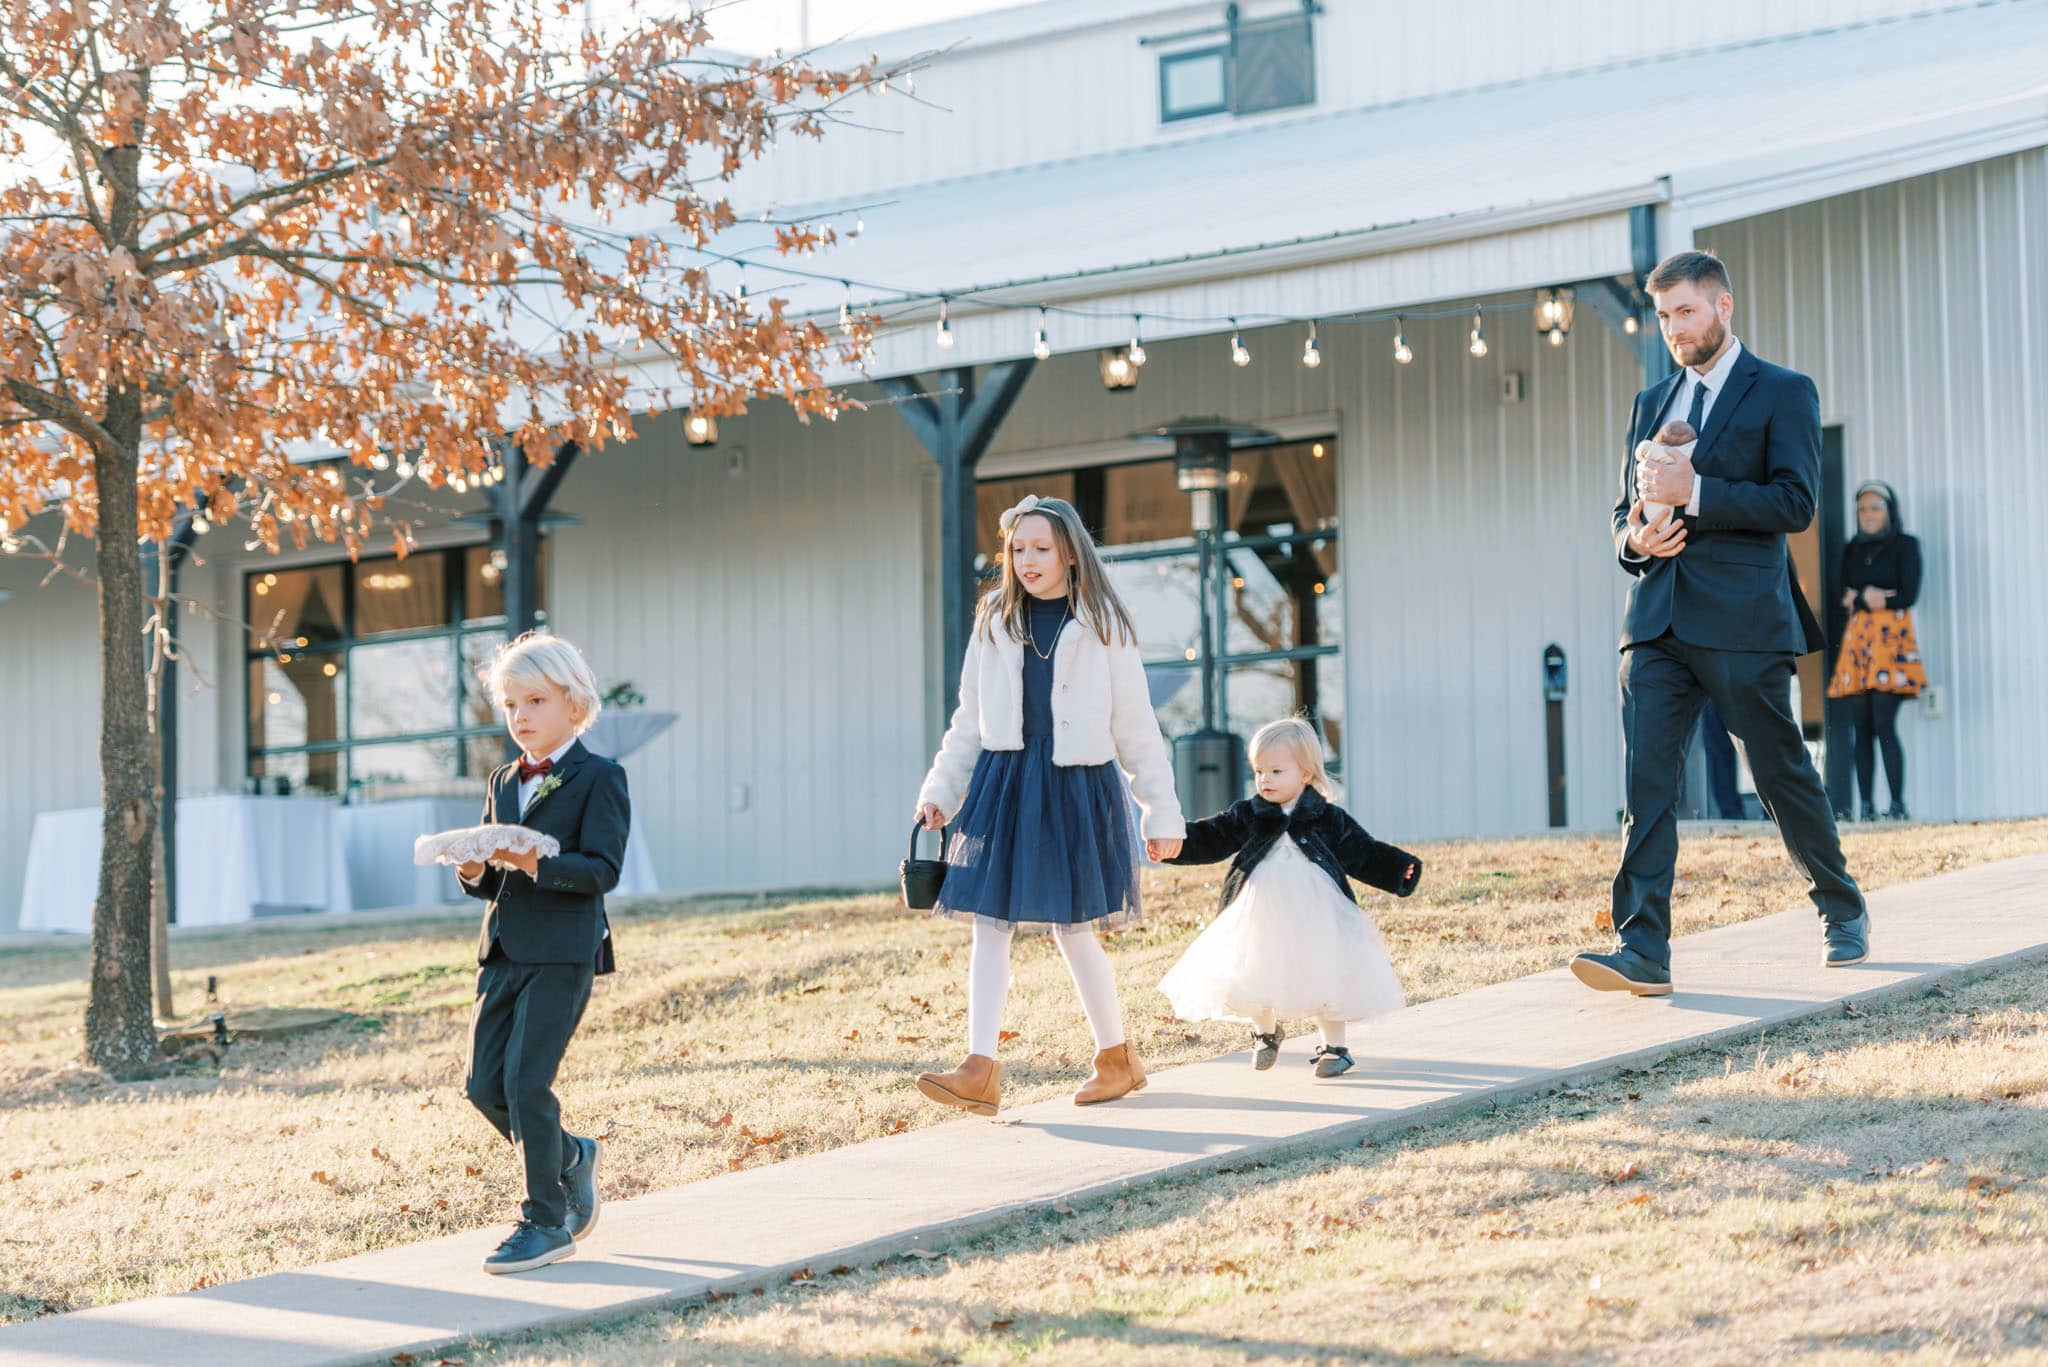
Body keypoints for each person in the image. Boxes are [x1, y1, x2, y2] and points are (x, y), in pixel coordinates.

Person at [1577, 248, 1869, 998]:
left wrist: (1698, 490)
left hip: (1743, 621)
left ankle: (1841, 904)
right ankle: (1642, 948)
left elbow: (1794, 502)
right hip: (1656, 620)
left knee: (1780, 773)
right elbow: (1622, 515)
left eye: (1686, 312)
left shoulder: (1783, 392)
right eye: (1664, 316)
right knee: (1647, 783)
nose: (1674, 329)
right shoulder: (1650, 404)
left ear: (1722, 307)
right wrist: (1633, 537)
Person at [912, 494, 1185, 1117]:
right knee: (989, 922)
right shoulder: (994, 621)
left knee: (1074, 927)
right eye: (1017, 549)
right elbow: (968, 721)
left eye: (1041, 548)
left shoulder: (1103, 623)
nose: (1027, 560)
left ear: (1068, 552)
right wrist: (940, 793)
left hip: (1074, 785)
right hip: (1002, 782)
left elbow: (1136, 725)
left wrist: (1161, 812)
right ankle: (979, 1067)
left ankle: (1116, 1058)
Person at [458, 632, 629, 1273]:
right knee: (484, 1087)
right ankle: (570, 1156)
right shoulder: (504, 780)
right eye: (510, 705)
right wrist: (475, 870)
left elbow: (603, 870)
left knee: (528, 1083)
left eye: (535, 700)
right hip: (502, 949)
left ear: (574, 704)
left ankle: (545, 1220)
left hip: (563, 950)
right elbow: (491, 876)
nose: (521, 716)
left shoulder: (600, 778)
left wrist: (534, 860)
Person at [1158, 717, 1419, 1079]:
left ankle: (1335, 1047)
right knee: (1250, 972)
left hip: (1317, 916)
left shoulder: (1326, 818)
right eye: (1259, 771)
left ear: (1306, 774)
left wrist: (1397, 869)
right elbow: (1211, 837)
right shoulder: (1249, 815)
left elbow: (1362, 852)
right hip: (1257, 916)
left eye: (1276, 771)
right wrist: (1173, 843)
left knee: (1326, 975)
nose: (1265, 779)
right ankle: (1265, 1033)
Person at [1826, 480, 1927, 821]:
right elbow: (1843, 596)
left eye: (1874, 508)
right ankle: (1866, 806)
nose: (1867, 515)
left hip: (1892, 643)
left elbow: (1909, 593)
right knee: (1862, 724)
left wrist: (1871, 597)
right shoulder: (1851, 548)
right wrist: (1869, 596)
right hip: (1859, 643)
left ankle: (1897, 804)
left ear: (1889, 511)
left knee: (1885, 721)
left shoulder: (1906, 545)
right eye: (1862, 509)